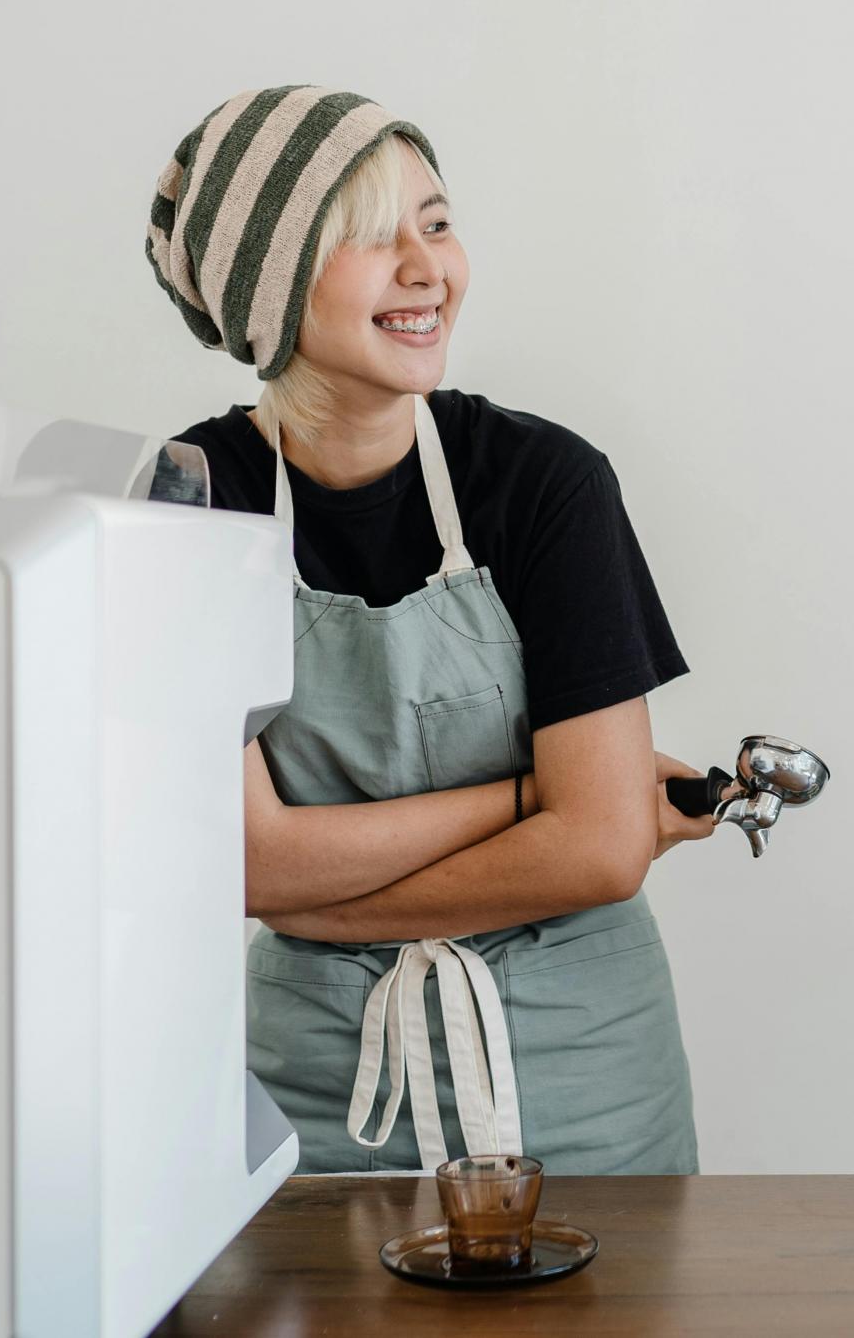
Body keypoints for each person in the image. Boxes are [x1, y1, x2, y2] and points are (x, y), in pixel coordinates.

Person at [147, 85, 713, 1173]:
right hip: (320, 1080)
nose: (426, 268)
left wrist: (319, 898)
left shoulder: (544, 484)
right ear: (266, 290)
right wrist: (530, 800)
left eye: (437, 222)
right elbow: (252, 863)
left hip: (580, 1072)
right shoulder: (191, 501)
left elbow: (599, 855)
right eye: (369, 237)